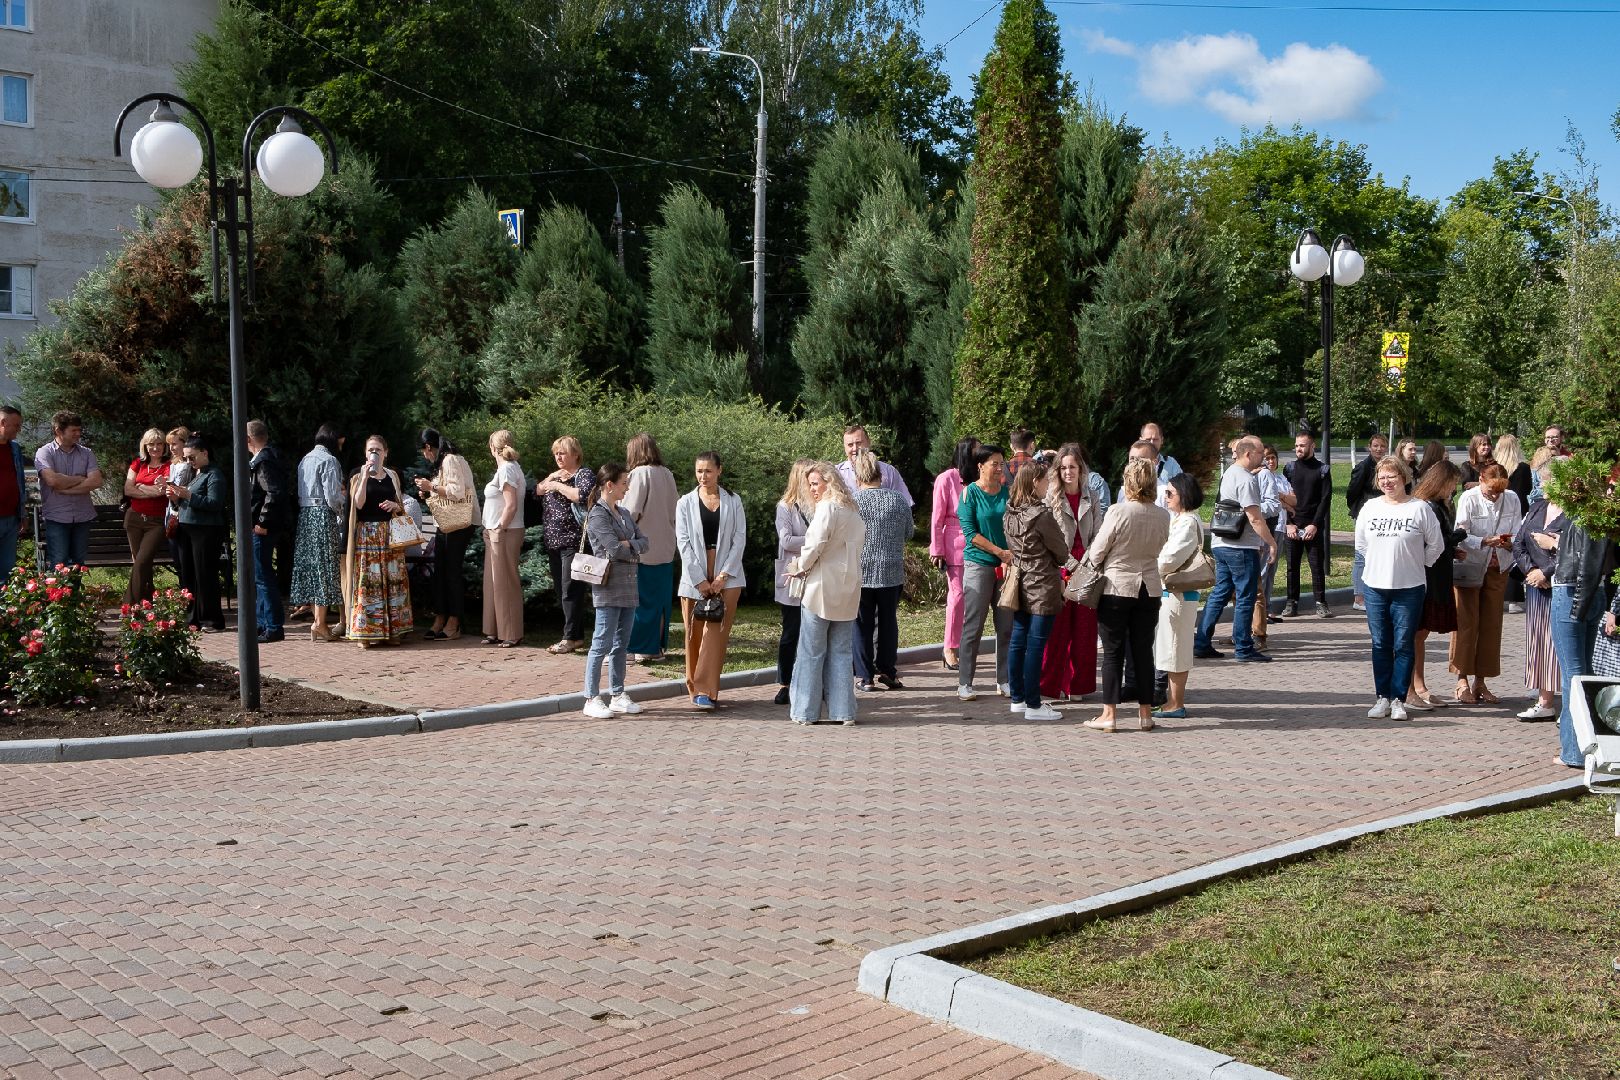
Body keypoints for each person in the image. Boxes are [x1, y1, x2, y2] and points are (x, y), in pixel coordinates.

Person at [1084, 458, 1171, 732]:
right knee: (1144, 652)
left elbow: (1098, 551)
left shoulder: (1118, 511)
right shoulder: (1163, 515)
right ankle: (1146, 714)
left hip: (1117, 587)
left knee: (1113, 653)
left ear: (1129, 482)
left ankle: (1109, 714)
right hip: (1150, 588)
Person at [1355, 455, 1444, 721]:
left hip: (1410, 587)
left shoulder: (1419, 508)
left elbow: (1436, 545)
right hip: (1375, 587)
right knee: (1381, 643)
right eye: (1382, 477)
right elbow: (1361, 545)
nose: (1387, 481)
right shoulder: (1370, 508)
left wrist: (1418, 564)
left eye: (1392, 476)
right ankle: (1381, 697)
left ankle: (1398, 699)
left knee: (1404, 644)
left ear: (1403, 477)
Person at [784, 462, 865, 725]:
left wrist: (799, 567)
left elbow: (814, 544)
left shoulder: (827, 508)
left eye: (816, 483)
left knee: (811, 650)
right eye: (810, 484)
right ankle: (844, 712)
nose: (812, 489)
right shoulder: (852, 511)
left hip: (821, 587)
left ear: (829, 482)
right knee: (841, 652)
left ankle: (805, 712)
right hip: (848, 586)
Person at [1550, 468, 1618, 768]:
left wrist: (1577, 606)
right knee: (1583, 673)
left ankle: (1576, 752)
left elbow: (1588, 565)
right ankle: (1586, 748)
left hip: (1573, 594)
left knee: (1575, 677)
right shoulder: (1595, 516)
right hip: (1590, 593)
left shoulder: (1585, 517)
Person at [1193, 436, 1277, 663]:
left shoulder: (1229, 473)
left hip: (1222, 543)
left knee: (1220, 593)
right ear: (1248, 454)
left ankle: (1201, 642)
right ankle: (1243, 647)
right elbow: (1254, 517)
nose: (1264, 458)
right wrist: (1271, 542)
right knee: (1246, 596)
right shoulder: (1246, 479)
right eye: (1260, 453)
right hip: (1240, 546)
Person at [675, 451, 746, 711]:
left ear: (719, 471)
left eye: (708, 471)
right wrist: (699, 580)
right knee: (694, 634)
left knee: (715, 633)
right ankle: (696, 687)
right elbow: (682, 543)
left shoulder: (733, 501)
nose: (703, 476)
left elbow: (740, 539)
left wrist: (722, 576)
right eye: (699, 471)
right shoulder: (685, 502)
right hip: (694, 575)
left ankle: (707, 690)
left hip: (727, 574)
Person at [580, 463, 649, 719]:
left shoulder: (625, 512)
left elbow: (646, 542)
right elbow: (611, 548)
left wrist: (629, 544)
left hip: (629, 584)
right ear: (609, 485)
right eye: (623, 483)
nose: (627, 487)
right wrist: (632, 546)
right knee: (602, 642)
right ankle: (591, 697)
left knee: (622, 643)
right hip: (608, 586)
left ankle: (618, 694)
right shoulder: (598, 514)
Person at [1449, 462, 1523, 704]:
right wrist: (1483, 541)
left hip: (1498, 566)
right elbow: (1460, 533)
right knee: (1466, 622)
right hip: (1471, 566)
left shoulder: (1511, 498)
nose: (1495, 495)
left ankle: (1481, 681)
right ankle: (1461, 680)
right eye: (1491, 490)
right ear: (1481, 479)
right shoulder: (1468, 499)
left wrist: (1508, 542)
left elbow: (1518, 530)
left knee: (1491, 624)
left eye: (1499, 491)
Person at [1002, 461, 1069, 722]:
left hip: (1020, 582)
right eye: (1045, 480)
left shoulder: (1009, 513)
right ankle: (1033, 704)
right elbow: (1061, 552)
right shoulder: (1041, 515)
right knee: (1036, 645)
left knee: (1019, 641)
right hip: (1042, 583)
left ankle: (1018, 698)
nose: (1049, 485)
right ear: (1034, 483)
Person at [1039, 443, 1102, 703]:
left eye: (1072, 467)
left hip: (1087, 567)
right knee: (1057, 632)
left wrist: (1087, 562)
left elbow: (1099, 534)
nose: (1068, 472)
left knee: (1085, 633)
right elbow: (1047, 537)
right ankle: (1052, 684)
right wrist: (1067, 564)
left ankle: (1078, 686)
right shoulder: (1050, 498)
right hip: (1059, 568)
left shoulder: (1093, 496)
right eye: (1063, 467)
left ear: (1080, 469)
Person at [343, 434, 414, 648]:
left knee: (393, 583)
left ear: (385, 452)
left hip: (389, 535)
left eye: (377, 450)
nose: (373, 454)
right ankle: (365, 632)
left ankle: (393, 631)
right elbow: (358, 504)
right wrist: (365, 477)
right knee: (369, 582)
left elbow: (400, 504)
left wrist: (396, 507)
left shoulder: (392, 475)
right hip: (367, 536)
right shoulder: (357, 475)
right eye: (369, 450)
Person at [852, 450, 914, 693]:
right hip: (891, 570)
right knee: (888, 623)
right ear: (881, 474)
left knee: (862, 624)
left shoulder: (853, 503)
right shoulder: (898, 500)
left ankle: (864, 676)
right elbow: (909, 532)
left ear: (859, 477)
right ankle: (888, 671)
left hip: (861, 571)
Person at [957, 444, 1012, 702]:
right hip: (979, 565)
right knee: (973, 625)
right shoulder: (970, 494)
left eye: (1002, 463)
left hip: (1006, 567)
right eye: (995, 463)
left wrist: (1008, 555)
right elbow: (971, 535)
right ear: (981, 466)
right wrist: (1000, 552)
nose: (1000, 468)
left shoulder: (1008, 493)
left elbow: (1014, 527)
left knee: (1006, 625)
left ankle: (1005, 680)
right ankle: (965, 682)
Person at [1511, 464, 1567, 722]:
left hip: (1562, 587)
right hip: (1536, 588)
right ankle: (1545, 701)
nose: (1541, 486)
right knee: (1540, 644)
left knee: (1561, 645)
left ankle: (1569, 704)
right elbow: (1519, 543)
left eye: (1545, 481)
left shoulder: (1574, 514)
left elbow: (1575, 551)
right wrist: (1531, 571)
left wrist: (1546, 571)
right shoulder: (1537, 507)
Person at [413, 428, 479, 642]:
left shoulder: (450, 459)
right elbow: (445, 491)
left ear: (429, 447)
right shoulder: (444, 462)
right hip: (448, 523)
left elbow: (457, 492)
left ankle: (454, 620)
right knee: (440, 571)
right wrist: (428, 491)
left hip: (459, 523)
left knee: (451, 572)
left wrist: (430, 485)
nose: (425, 456)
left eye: (424, 451)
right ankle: (441, 617)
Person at [1407, 460, 1462, 711]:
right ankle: (1411, 687)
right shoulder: (1427, 506)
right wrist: (1461, 534)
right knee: (1416, 633)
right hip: (1427, 576)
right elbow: (1434, 541)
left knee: (1422, 633)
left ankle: (1420, 685)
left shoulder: (1437, 506)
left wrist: (1453, 549)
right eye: (1452, 484)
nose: (1454, 489)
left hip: (1438, 573)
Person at [536, 436, 595, 654]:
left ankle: (571, 637)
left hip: (574, 540)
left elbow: (582, 495)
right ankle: (575, 635)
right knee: (563, 590)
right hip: (554, 541)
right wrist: (552, 478)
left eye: (562, 453)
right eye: (556, 453)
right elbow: (538, 490)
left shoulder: (584, 474)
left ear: (575, 455)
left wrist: (558, 485)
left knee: (571, 589)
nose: (558, 457)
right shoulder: (556, 476)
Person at [622, 433, 678, 663]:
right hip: (665, 546)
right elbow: (675, 511)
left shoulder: (638, 474)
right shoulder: (667, 474)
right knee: (660, 601)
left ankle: (638, 647)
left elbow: (631, 511)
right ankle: (656, 647)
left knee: (640, 600)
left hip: (642, 548)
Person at [1153, 473, 1205, 719]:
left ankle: (1176, 702)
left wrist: (1149, 566)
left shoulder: (1187, 523)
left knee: (1176, 649)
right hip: (1174, 593)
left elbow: (1169, 559)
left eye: (1170, 493)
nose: (1166, 498)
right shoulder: (1181, 520)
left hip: (1178, 594)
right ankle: (1173, 701)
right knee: (1171, 648)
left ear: (1183, 495)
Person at [290, 423, 347, 642]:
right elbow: (332, 497)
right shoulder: (330, 461)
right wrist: (346, 503)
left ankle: (317, 621)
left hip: (305, 515)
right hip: (322, 516)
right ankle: (320, 623)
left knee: (313, 568)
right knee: (325, 567)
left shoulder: (305, 459)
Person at [166, 434, 227, 633]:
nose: (189, 462)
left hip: (205, 531)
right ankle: (192, 618)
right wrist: (176, 497)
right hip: (186, 529)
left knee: (205, 575)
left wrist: (189, 495)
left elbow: (214, 504)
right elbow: (186, 502)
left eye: (192, 457)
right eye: (186, 458)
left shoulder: (214, 474)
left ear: (204, 453)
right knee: (189, 575)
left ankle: (212, 619)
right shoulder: (196, 474)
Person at [930, 438, 979, 671]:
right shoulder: (946, 479)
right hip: (954, 544)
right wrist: (936, 549)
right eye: (976, 451)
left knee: (974, 599)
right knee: (957, 597)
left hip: (979, 542)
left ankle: (965, 647)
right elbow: (936, 518)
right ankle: (949, 647)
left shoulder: (980, 480)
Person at [243, 420, 292, 644]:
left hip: (263, 527)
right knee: (261, 575)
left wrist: (262, 521)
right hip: (268, 525)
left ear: (249, 440)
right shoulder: (271, 457)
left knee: (263, 576)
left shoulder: (263, 461)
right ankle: (263, 623)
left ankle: (272, 625)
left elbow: (273, 492)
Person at [35, 410, 102, 569]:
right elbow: (52, 480)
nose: (78, 434)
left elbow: (96, 481)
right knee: (59, 563)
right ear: (58, 430)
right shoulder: (44, 452)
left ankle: (75, 595)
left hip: (82, 516)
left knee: (79, 563)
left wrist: (66, 488)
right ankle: (59, 595)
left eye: (79, 430)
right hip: (57, 517)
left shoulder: (86, 453)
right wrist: (80, 479)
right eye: (74, 430)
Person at [773, 460, 814, 705]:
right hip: (792, 577)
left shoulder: (819, 505)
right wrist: (815, 536)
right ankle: (784, 683)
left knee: (813, 632)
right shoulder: (785, 507)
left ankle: (810, 683)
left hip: (815, 576)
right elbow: (786, 540)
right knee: (791, 632)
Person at [481, 430, 526, 648]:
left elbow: (511, 505)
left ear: (492, 448)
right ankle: (493, 630)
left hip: (505, 532)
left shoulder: (508, 469)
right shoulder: (505, 468)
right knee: (493, 583)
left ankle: (511, 633)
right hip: (494, 532)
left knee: (505, 582)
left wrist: (499, 527)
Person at [1283, 432, 1332, 618]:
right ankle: (1291, 602)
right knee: (1291, 566)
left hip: (1313, 526)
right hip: (1293, 526)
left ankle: (1321, 602)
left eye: (1302, 445)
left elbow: (1325, 500)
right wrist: (1288, 524)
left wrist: (1315, 525)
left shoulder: (1323, 470)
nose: (1298, 449)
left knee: (1317, 565)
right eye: (1296, 446)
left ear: (1313, 446)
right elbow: (1282, 497)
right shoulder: (1289, 469)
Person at [1249, 445, 1293, 650]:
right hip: (1264, 528)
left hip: (1279, 527)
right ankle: (1259, 619)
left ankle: (1266, 610)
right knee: (1261, 573)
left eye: (1273, 458)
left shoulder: (1280, 478)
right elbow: (1272, 503)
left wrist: (1283, 499)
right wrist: (1283, 499)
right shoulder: (1260, 476)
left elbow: (1294, 501)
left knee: (1270, 571)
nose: (1269, 462)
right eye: (1266, 457)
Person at [121, 428, 170, 606]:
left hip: (156, 521)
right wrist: (151, 492)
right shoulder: (137, 464)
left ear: (164, 446)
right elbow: (128, 489)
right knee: (141, 562)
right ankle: (147, 601)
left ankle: (131, 605)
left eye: (159, 444)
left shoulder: (168, 465)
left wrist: (141, 488)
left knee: (141, 561)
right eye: (151, 444)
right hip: (134, 518)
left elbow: (163, 491)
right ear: (145, 446)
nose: (155, 448)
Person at [1346, 433, 1388, 612]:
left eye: (1382, 446)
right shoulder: (1364, 467)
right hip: (1366, 515)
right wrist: (1359, 510)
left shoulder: (1386, 466)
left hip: (1383, 515)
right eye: (1376, 446)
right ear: (1369, 447)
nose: (1379, 449)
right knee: (1361, 555)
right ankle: (1359, 597)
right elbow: (1352, 492)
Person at [1495, 434, 1532, 613]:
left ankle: (1499, 594)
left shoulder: (1496, 468)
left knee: (1501, 551)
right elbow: (1528, 491)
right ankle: (1515, 598)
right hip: (1519, 513)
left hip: (1499, 514)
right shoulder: (1523, 468)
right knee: (1516, 552)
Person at [835, 425, 913, 507]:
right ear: (844, 448)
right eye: (850, 445)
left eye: (858, 443)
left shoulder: (888, 471)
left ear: (869, 442)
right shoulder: (836, 474)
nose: (855, 448)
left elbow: (905, 505)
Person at [0, 406, 26, 580]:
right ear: (3, 423)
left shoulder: (15, 449)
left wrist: (23, 514)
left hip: (11, 518)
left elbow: (21, 482)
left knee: (8, 571)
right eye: (16, 425)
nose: (19, 429)